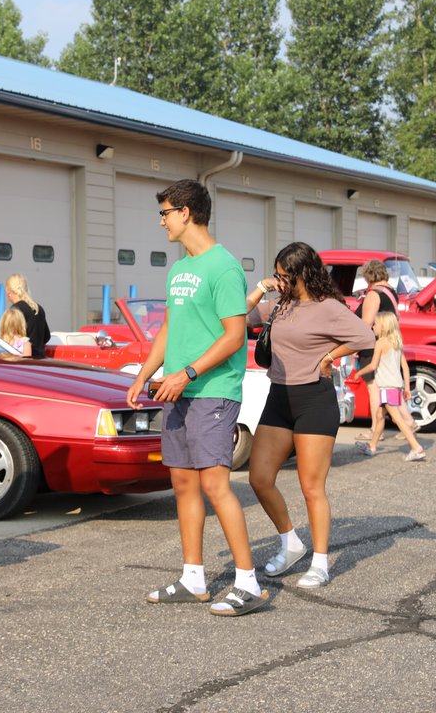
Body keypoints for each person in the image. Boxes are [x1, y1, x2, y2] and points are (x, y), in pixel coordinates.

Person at [126, 178, 265, 617]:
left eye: (164, 213)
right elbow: (170, 328)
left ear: (186, 212)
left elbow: (234, 336)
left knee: (214, 484)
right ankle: (193, 578)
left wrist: (186, 374)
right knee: (182, 482)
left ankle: (248, 583)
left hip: (211, 391)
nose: (161, 222)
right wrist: (143, 373)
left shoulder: (223, 267)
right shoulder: (179, 269)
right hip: (177, 390)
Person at [244, 243, 374, 589]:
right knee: (259, 477)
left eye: (285, 276)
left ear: (303, 273)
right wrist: (260, 288)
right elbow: (239, 318)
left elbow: (366, 335)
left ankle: (320, 563)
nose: (280, 281)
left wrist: (331, 356)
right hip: (278, 397)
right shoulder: (280, 305)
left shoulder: (328, 307)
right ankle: (291, 542)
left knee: (311, 486)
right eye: (277, 275)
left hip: (314, 401)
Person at [354, 312, 428, 461]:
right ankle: (372, 446)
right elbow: (405, 367)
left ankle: (416, 448)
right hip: (395, 386)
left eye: (375, 324)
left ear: (383, 326)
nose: (373, 326)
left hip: (386, 387)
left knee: (398, 419)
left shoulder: (380, 343)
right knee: (379, 416)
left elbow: (373, 365)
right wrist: (406, 388)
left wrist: (359, 373)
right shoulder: (396, 342)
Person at [355, 259, 415, 441]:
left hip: (373, 345)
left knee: (375, 389)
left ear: (368, 276)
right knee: (386, 386)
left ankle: (375, 430)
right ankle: (408, 420)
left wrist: (352, 343)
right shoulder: (391, 292)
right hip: (391, 342)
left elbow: (367, 323)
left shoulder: (374, 294)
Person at [5, 274, 50, 359]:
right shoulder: (38, 308)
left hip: (24, 361)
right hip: (41, 360)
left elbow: (9, 340)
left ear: (8, 292)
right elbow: (46, 337)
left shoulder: (15, 311)